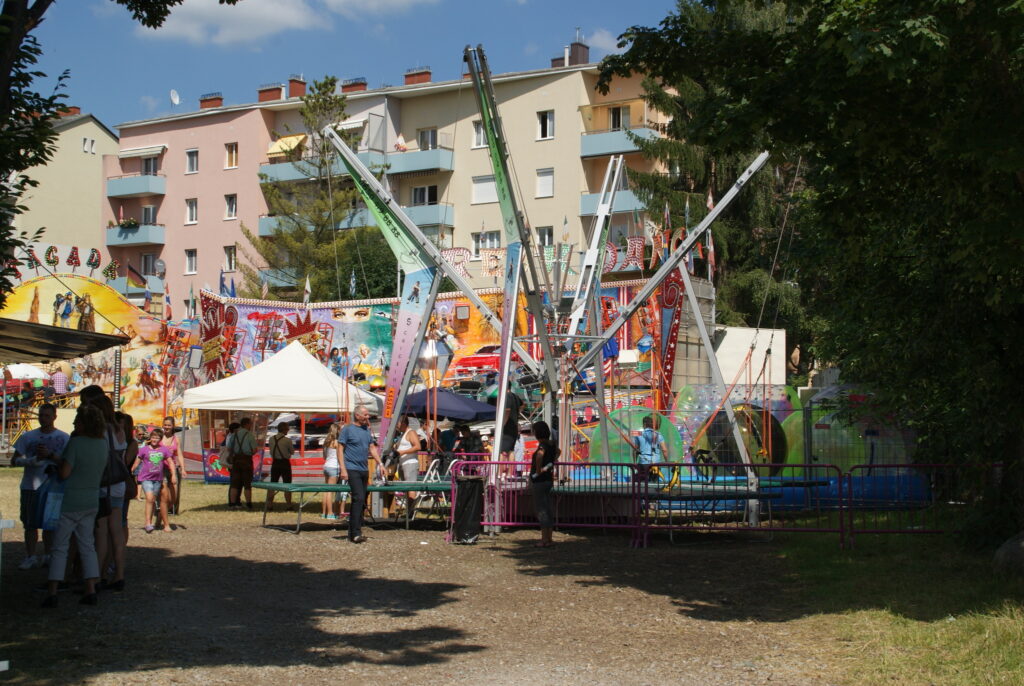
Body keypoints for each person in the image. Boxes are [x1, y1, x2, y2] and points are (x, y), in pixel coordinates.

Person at [42, 404, 108, 608]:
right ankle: (90, 588)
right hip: (91, 499)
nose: (73, 423)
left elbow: (65, 473)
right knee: (87, 546)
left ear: (83, 423)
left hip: (70, 500)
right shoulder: (102, 443)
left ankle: (52, 591)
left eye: (77, 420)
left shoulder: (76, 443)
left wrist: (55, 460)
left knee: (60, 546)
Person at [12, 403, 69, 570]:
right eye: (41, 415)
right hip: (30, 485)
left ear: (54, 417)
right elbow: (14, 460)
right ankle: (30, 556)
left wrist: (51, 456)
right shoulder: (28, 437)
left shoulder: (64, 438)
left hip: (53, 486)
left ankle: (48, 555)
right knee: (29, 523)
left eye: (47, 416)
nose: (43, 419)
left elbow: (67, 462)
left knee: (49, 523)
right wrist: (30, 461)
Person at [338, 407, 379, 543]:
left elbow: (372, 448)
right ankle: (356, 532)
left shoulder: (366, 430)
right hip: (351, 468)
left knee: (362, 499)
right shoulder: (347, 430)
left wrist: (380, 463)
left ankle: (353, 530)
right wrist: (343, 469)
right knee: (358, 497)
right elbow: (340, 449)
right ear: (357, 415)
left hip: (364, 469)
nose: (368, 417)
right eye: (365, 415)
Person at [134, 428, 176, 533]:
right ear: (150, 438)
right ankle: (148, 523)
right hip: (145, 478)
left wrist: (173, 475)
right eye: (153, 437)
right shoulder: (144, 449)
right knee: (149, 498)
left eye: (157, 438)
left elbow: (171, 462)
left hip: (158, 479)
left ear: (160, 439)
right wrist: (131, 470)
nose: (154, 439)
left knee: (152, 500)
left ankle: (151, 521)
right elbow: (137, 461)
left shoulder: (164, 450)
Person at [529, 420, 559, 548]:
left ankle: (544, 539)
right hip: (548, 479)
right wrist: (552, 462)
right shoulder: (552, 444)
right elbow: (559, 452)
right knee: (547, 508)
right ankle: (549, 538)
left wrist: (538, 469)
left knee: (541, 510)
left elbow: (539, 455)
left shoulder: (542, 446)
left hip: (539, 481)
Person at [227, 417, 257, 509]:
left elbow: (228, 448)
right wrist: (249, 453)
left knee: (234, 483)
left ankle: (232, 504)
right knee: (247, 484)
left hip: (236, 460)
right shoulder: (249, 435)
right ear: (247, 424)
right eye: (250, 424)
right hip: (246, 460)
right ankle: (248, 503)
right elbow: (254, 450)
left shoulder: (234, 434)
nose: (251, 426)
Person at [160, 416, 185, 515]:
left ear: (173, 426)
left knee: (174, 494)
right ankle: (162, 511)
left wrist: (183, 468)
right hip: (161, 468)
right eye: (165, 425)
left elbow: (179, 454)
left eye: (169, 425)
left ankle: (169, 507)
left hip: (172, 469)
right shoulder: (159, 437)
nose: (166, 427)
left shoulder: (176, 439)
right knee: (164, 493)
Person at [266, 422, 294, 510]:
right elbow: (292, 452)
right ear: (285, 429)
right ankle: (288, 505)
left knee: (273, 484)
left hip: (275, 463)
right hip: (285, 463)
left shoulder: (271, 439)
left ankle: (269, 504)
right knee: (287, 484)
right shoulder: (287, 440)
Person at [394, 415, 421, 500]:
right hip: (403, 464)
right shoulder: (403, 434)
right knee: (406, 488)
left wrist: (402, 452)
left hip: (410, 464)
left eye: (397, 423)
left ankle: (411, 512)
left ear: (403, 423)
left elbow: (418, 447)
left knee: (411, 489)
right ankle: (408, 511)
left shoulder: (411, 432)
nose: (396, 425)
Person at [633, 415, 666, 483]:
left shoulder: (638, 433)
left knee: (641, 483)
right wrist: (666, 460)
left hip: (643, 462)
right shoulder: (658, 434)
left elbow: (635, 450)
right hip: (655, 462)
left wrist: (634, 462)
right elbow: (664, 450)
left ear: (644, 424)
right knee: (655, 483)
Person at [321, 423, 341, 520]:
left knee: (326, 491)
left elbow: (324, 456)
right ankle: (330, 513)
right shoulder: (336, 443)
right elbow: (340, 456)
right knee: (330, 492)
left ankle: (324, 512)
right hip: (334, 467)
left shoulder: (326, 442)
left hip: (326, 466)